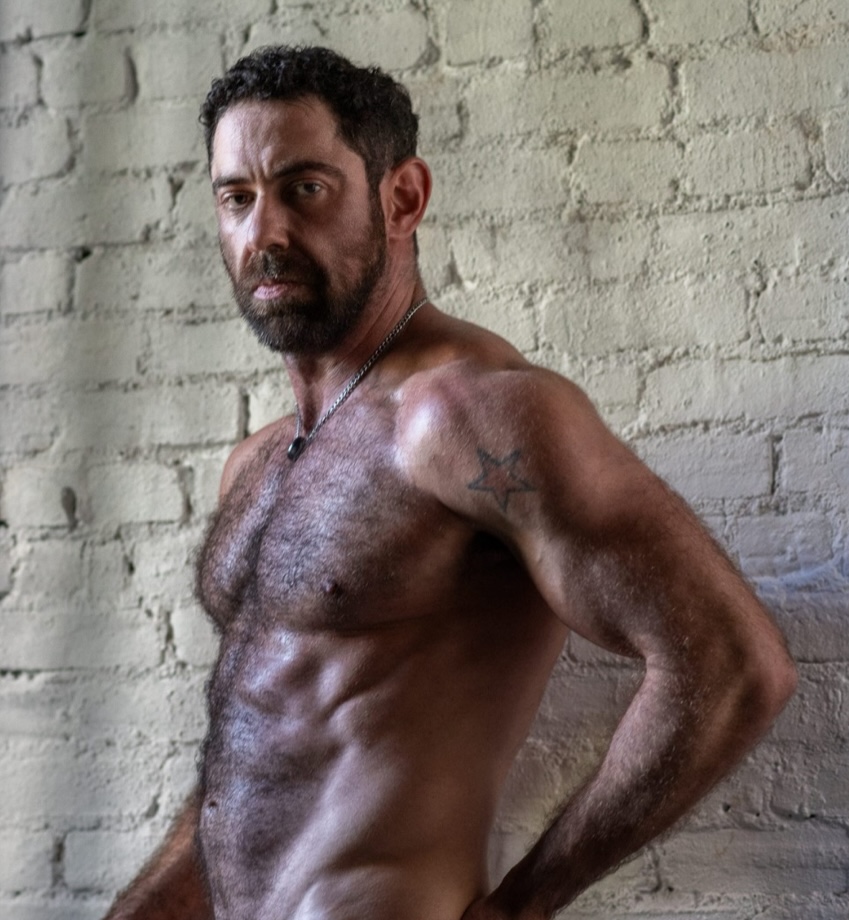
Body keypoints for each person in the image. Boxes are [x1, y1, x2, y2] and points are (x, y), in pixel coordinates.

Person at [104, 45, 797, 920]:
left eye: (304, 189)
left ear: (402, 198)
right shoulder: (257, 464)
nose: (264, 234)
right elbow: (255, 753)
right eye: (237, 198)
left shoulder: (466, 418)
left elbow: (733, 666)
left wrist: (522, 904)